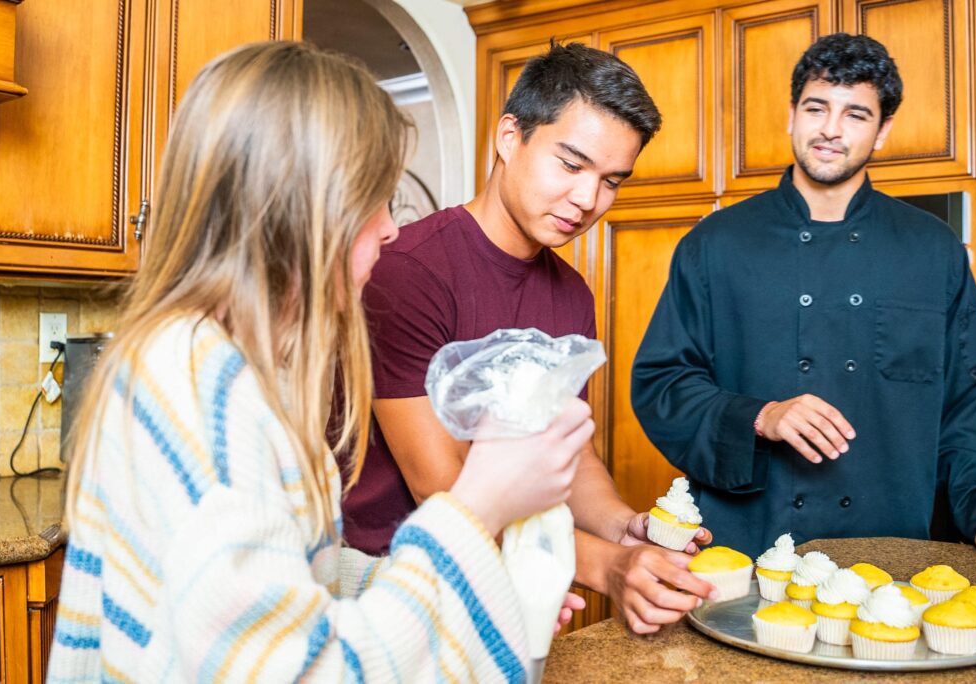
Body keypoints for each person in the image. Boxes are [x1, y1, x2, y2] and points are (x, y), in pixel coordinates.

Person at [47, 42, 596, 682]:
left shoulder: (241, 370)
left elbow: (303, 580)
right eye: (374, 201)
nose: (391, 230)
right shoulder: (194, 383)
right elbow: (294, 670)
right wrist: (476, 510)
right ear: (298, 204)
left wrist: (474, 588)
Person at [341, 41, 717, 635]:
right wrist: (605, 564)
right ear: (509, 137)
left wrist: (621, 527)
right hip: (389, 591)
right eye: (571, 165)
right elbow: (442, 487)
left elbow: (569, 448)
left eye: (611, 181)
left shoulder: (571, 293)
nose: (588, 200)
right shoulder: (406, 272)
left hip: (506, 586)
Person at [631, 33, 976, 559]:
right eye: (816, 107)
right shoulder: (715, 244)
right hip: (745, 552)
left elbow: (975, 399)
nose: (831, 129)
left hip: (890, 557)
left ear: (883, 131)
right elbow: (662, 383)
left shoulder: (932, 250)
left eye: (855, 114)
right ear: (791, 114)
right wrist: (762, 416)